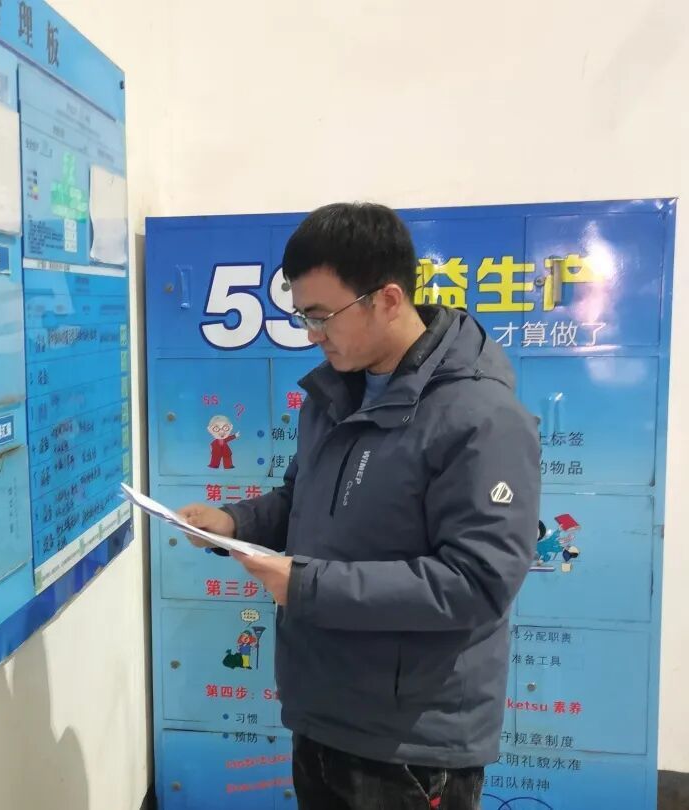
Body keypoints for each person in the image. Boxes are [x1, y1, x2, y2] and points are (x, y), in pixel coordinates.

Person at [178, 202, 540, 810]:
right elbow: (301, 501)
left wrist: (307, 586)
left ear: (388, 299)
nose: (312, 335)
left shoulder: (481, 418)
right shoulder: (333, 395)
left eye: (322, 317)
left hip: (410, 744)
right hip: (322, 711)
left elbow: (477, 582)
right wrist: (235, 522)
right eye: (303, 317)